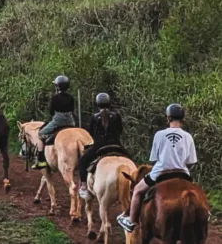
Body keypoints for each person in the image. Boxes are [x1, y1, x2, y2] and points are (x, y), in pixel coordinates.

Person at [117, 104, 197, 233]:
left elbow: (154, 158)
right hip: (182, 174)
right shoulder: (188, 136)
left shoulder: (159, 134)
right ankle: (206, 214)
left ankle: (131, 221)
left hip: (160, 173)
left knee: (137, 191)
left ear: (168, 117)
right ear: (182, 118)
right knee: (196, 194)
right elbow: (191, 161)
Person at [76, 93, 124, 199]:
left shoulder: (94, 117)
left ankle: (84, 187)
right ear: (109, 103)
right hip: (116, 145)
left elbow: (91, 133)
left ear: (97, 104)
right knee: (131, 161)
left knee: (82, 161)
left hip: (99, 146)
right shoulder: (116, 116)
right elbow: (120, 130)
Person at [31, 75, 76, 169]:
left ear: (57, 87)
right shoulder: (71, 97)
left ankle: (41, 160)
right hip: (71, 122)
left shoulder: (55, 97)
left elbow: (51, 112)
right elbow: (72, 110)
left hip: (58, 121)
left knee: (40, 134)